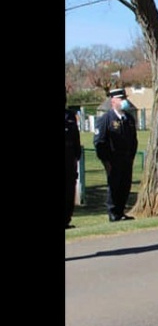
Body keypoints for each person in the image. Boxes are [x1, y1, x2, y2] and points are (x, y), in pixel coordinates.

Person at [93, 87, 138, 222]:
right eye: (121, 99)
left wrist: (131, 157)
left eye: (124, 98)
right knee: (114, 186)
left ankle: (121, 211)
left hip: (126, 159)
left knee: (125, 185)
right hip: (113, 160)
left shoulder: (128, 119)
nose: (124, 101)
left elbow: (133, 140)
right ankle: (113, 213)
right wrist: (106, 161)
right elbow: (99, 141)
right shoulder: (106, 119)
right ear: (113, 101)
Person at [65, 89, 82, 229]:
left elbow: (76, 138)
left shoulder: (70, 116)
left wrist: (77, 155)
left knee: (70, 190)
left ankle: (66, 220)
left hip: (69, 158)